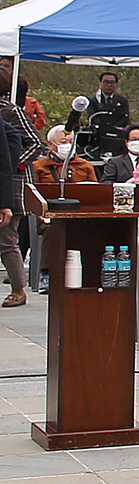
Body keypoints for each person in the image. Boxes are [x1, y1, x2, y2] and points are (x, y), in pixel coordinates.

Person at [0, 60, 25, 306]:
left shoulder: (11, 113)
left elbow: (6, 163)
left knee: (7, 242)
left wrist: (19, 163)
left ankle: (19, 288)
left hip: (8, 187)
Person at [67, 71, 130, 159]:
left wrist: (113, 128)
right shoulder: (93, 100)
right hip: (98, 134)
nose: (109, 85)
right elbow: (92, 116)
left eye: (112, 82)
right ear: (100, 83)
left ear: (116, 84)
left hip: (116, 134)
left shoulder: (122, 100)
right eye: (106, 82)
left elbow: (125, 118)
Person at [32, 125, 96, 188]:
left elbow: (94, 190)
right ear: (50, 144)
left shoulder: (86, 165)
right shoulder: (37, 166)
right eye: (63, 142)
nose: (68, 145)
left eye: (71, 142)